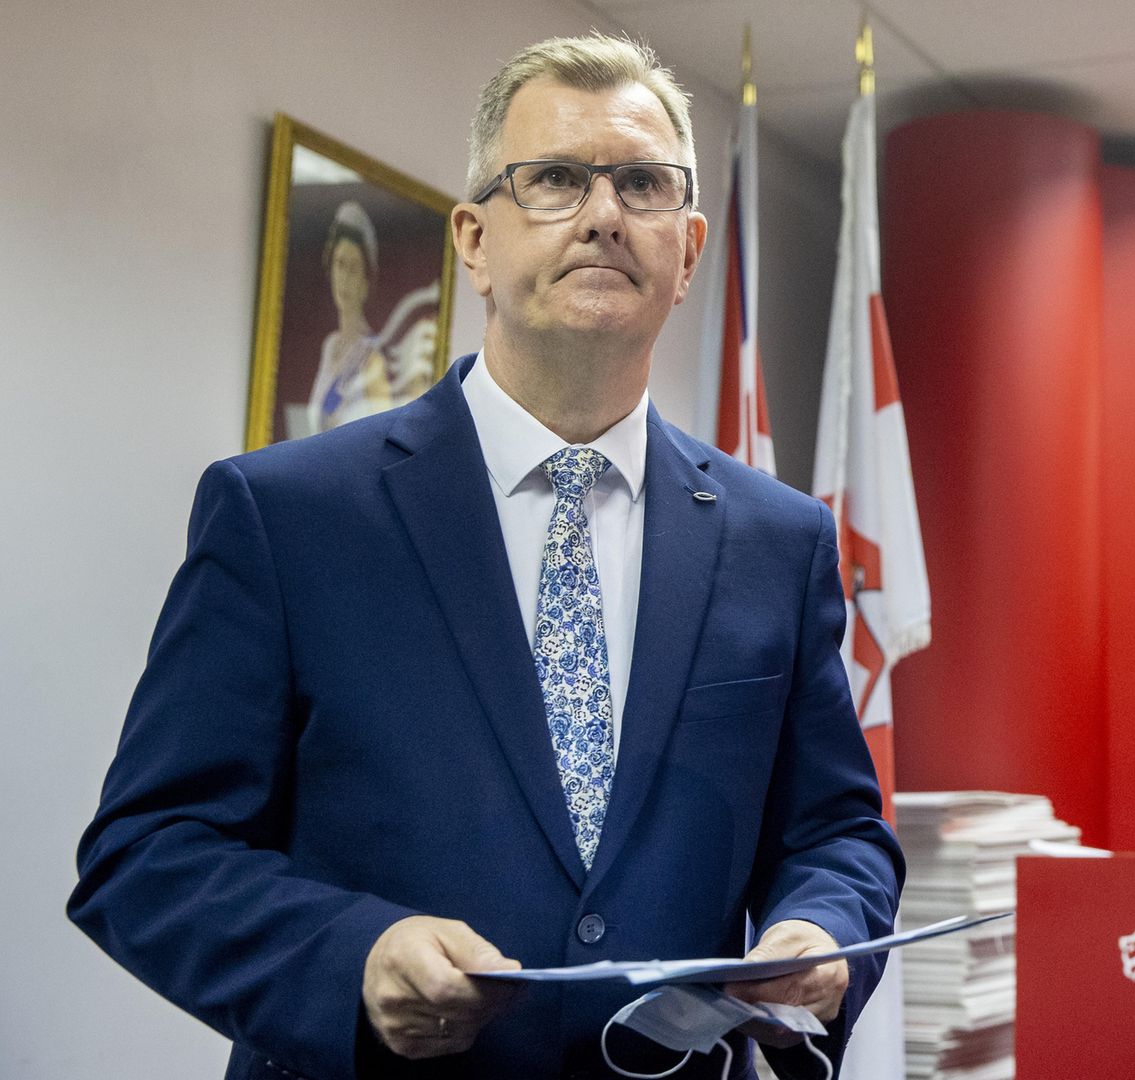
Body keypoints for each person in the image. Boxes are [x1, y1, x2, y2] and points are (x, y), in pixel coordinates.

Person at [70, 32, 904, 1080]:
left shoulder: (776, 541)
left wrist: (820, 929)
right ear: (473, 241)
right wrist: (353, 957)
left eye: (643, 184)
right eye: (554, 178)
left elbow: (836, 831)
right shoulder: (286, 517)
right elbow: (145, 855)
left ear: (688, 251)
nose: (604, 213)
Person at [308, 200, 397, 434]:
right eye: (340, 264)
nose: (345, 278)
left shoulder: (372, 359)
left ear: (366, 281)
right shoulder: (331, 345)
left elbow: (384, 439)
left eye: (354, 268)